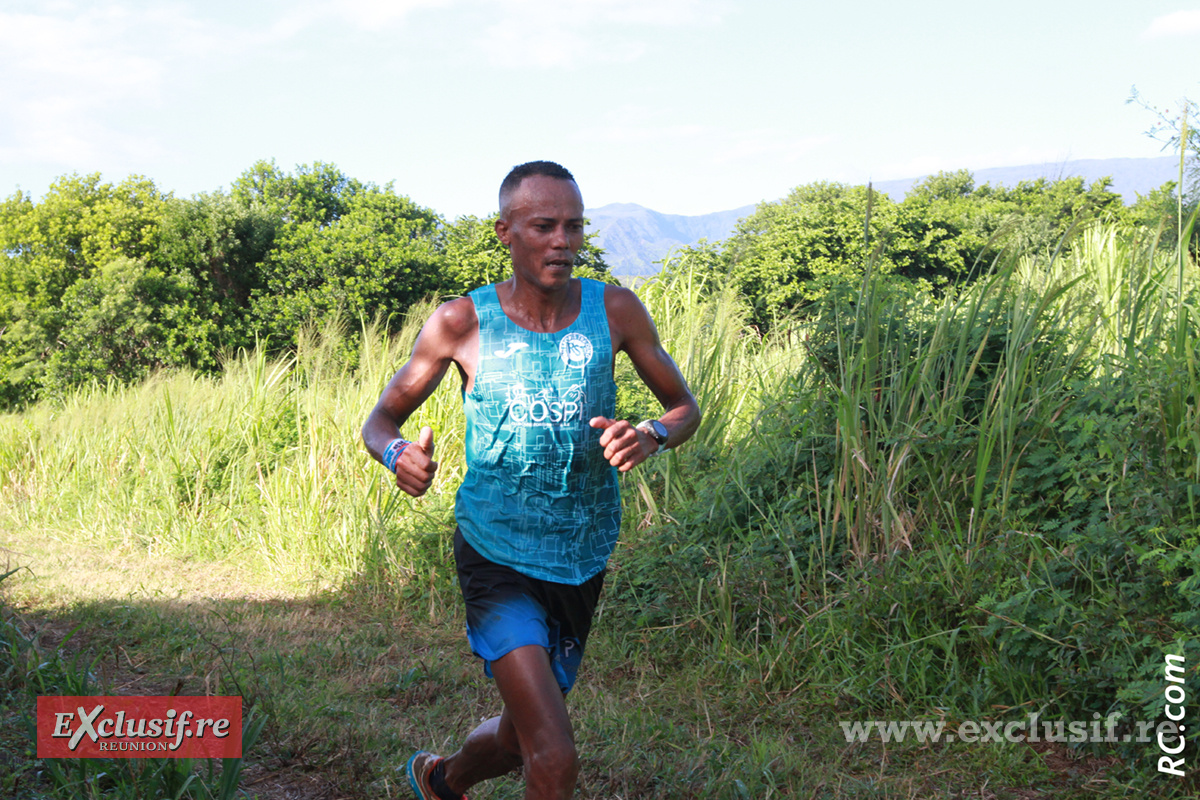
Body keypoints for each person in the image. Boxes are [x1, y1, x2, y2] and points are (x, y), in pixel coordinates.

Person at [361, 160, 701, 800]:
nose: (562, 241)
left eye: (573, 226)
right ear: (505, 232)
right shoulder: (463, 322)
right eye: (544, 225)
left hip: (582, 553)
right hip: (495, 552)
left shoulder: (616, 310)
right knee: (554, 754)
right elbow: (381, 420)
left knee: (522, 738)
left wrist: (650, 434)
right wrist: (398, 452)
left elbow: (684, 407)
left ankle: (443, 779)